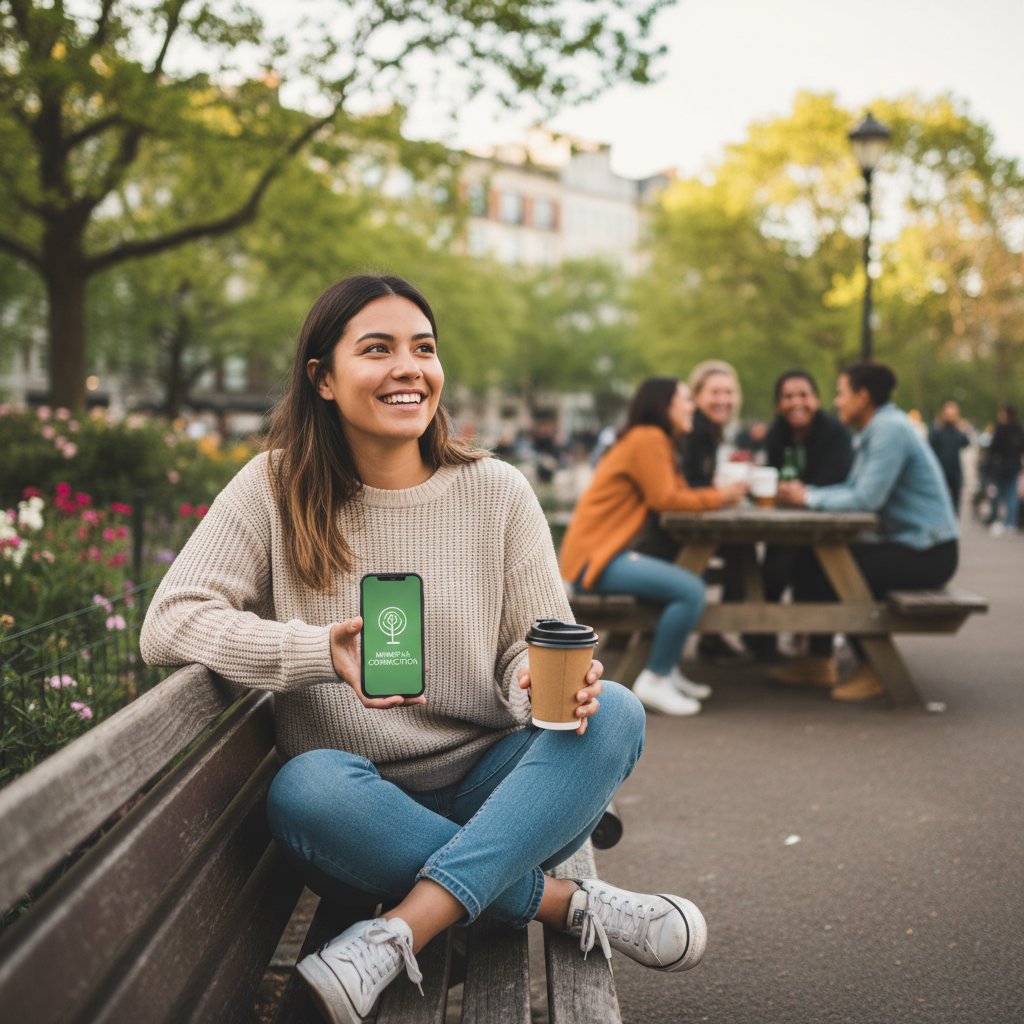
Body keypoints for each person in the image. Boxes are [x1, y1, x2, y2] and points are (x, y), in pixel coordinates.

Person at [140, 274, 707, 1024]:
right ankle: (564, 904)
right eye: (378, 349)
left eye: (424, 348)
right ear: (323, 378)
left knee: (617, 714)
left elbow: (531, 642)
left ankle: (402, 930)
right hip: (360, 814)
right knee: (305, 788)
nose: (409, 368)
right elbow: (170, 621)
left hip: (502, 793)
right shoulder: (273, 487)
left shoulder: (497, 492)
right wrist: (319, 652)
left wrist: (533, 683)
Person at [560, 375, 747, 716]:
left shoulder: (654, 439)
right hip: (596, 558)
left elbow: (676, 493)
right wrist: (721, 496)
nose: (692, 407)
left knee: (688, 584)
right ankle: (656, 678)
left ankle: (668, 670)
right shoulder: (649, 438)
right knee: (690, 590)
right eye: (685, 400)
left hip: (604, 552)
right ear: (665, 406)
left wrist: (714, 495)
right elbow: (667, 499)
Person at [773, 362, 959, 700]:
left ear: (862, 397)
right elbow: (853, 488)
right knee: (811, 561)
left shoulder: (889, 430)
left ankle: (874, 668)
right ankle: (818, 661)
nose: (836, 401)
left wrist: (809, 497)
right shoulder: (876, 428)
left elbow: (866, 499)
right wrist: (808, 493)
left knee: (832, 570)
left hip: (928, 552)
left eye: (841, 393)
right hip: (910, 545)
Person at [752, 369, 854, 659]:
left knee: (816, 567)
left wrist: (803, 493)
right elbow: (770, 475)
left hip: (828, 527)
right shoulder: (776, 434)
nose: (796, 402)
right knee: (773, 570)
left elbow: (838, 481)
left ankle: (819, 653)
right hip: (783, 527)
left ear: (817, 400)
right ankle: (762, 643)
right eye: (788, 396)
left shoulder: (835, 433)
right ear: (778, 404)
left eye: (803, 395)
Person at [985, 405, 1024, 535]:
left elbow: (993, 448)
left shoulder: (1001, 428)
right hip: (1014, 466)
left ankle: (996, 520)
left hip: (1000, 467)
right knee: (1012, 495)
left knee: (997, 494)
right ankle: (1010, 522)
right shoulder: (1019, 429)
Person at [927, 400, 970, 515]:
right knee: (939, 499)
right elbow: (930, 447)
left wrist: (961, 428)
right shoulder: (937, 429)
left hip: (955, 469)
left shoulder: (957, 430)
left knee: (955, 501)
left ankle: (953, 519)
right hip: (940, 469)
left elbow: (965, 443)